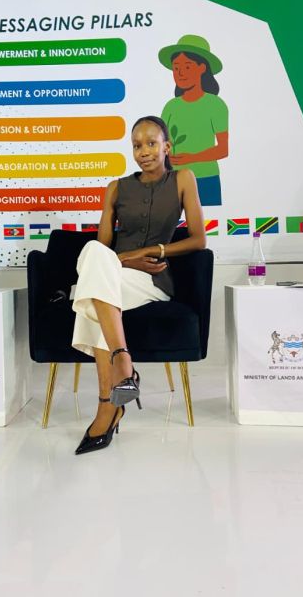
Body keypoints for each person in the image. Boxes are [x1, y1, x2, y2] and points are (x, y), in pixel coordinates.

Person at [71, 115, 206, 455]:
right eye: (136, 146)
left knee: (94, 298)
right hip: (115, 272)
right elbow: (102, 249)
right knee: (93, 255)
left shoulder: (183, 179)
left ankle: (108, 406)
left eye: (150, 144)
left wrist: (151, 251)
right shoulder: (116, 187)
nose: (143, 151)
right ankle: (123, 367)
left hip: (151, 278)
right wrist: (126, 259)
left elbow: (198, 240)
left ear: (166, 146)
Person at [159, 34, 229, 206]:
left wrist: (191, 158)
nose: (180, 73)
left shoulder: (216, 105)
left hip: (206, 179)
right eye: (176, 68)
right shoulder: (170, 107)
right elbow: (162, 145)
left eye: (187, 66)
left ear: (202, 68)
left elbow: (223, 149)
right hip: (173, 178)